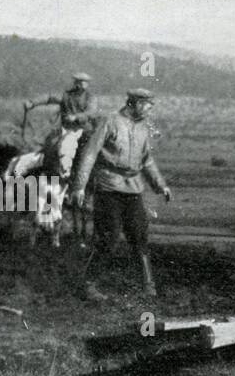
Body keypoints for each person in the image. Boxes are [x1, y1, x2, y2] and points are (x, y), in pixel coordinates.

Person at [69, 88, 171, 300]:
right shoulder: (110, 121)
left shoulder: (143, 128)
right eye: (147, 104)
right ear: (135, 103)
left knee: (139, 235)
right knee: (110, 238)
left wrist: (161, 186)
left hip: (133, 188)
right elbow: (90, 154)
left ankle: (148, 285)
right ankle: (88, 285)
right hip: (108, 188)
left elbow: (146, 160)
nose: (150, 109)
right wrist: (79, 186)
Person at [25, 72, 96, 130]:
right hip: (66, 127)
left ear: (87, 84)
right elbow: (49, 98)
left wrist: (76, 117)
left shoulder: (90, 97)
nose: (80, 85)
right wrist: (33, 102)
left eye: (83, 83)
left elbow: (90, 112)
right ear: (75, 83)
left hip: (83, 128)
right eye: (78, 82)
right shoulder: (66, 95)